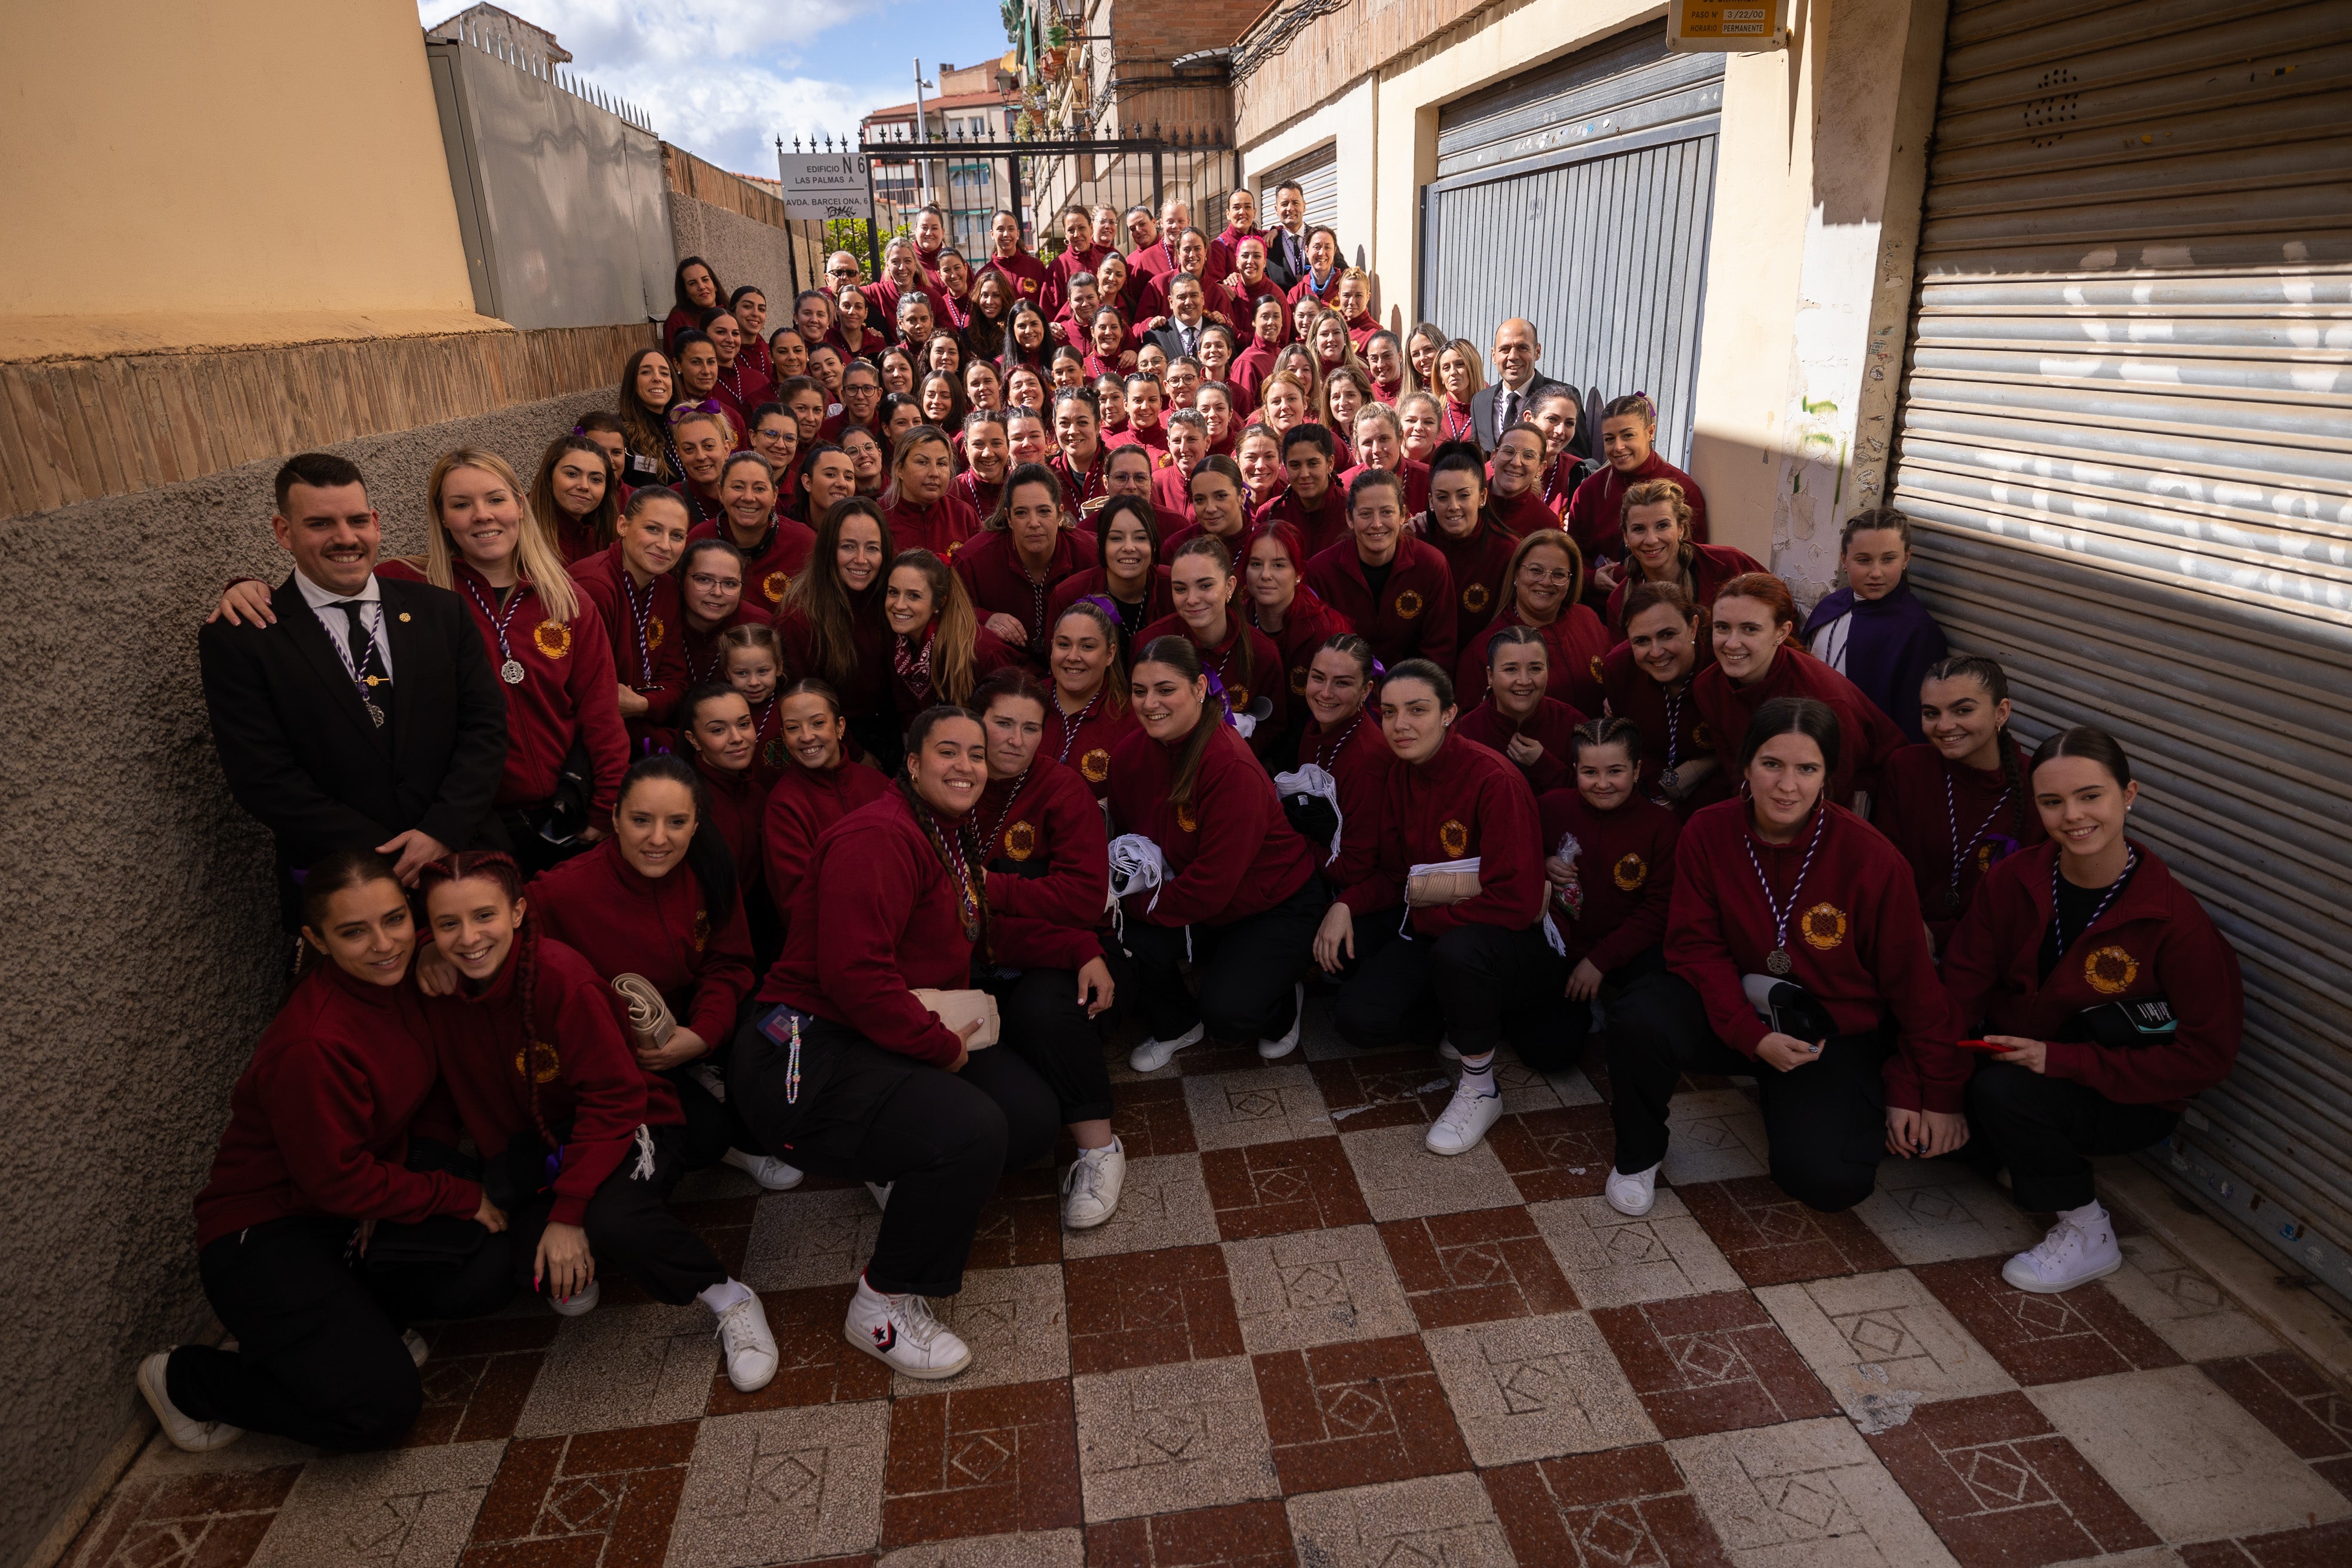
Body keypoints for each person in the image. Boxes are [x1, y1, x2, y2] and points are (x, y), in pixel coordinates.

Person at [731, 707, 1068, 1379]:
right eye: (948, 751)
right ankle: (881, 1305)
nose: (966, 766)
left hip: (877, 1028)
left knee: (1029, 1126)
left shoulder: (941, 829)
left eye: (976, 754)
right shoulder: (879, 836)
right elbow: (854, 976)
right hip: (802, 1052)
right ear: (911, 764)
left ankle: (895, 1160)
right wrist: (939, 1048)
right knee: (972, 1131)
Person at [136, 849, 510, 1453]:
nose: (384, 944)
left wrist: (427, 1165)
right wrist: (452, 1193)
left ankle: (344, 1328)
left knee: (487, 1269)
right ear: (316, 939)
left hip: (348, 1207)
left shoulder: (409, 971)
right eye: (354, 932)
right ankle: (186, 1379)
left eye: (393, 920)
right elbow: (332, 1183)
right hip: (265, 1237)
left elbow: (432, 1095)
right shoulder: (314, 1042)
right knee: (380, 1411)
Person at [413, 851, 779, 1387]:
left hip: (633, 1118)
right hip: (539, 1146)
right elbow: (437, 1097)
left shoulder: (563, 979)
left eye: (484, 916)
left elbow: (613, 1099)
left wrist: (569, 1212)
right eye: (448, 924)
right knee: (518, 1264)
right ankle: (580, 1237)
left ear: (517, 913)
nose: (469, 938)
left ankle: (729, 1297)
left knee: (614, 1219)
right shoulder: (438, 993)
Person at [1609, 697, 1950, 1218]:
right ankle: (1637, 1156)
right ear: (1746, 766)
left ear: (1827, 776)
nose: (1787, 785)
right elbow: (1695, 946)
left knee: (1830, 1183)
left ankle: (1802, 1102)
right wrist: (1753, 1037)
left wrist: (1931, 1089)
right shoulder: (1707, 830)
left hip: (1826, 1032)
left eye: (1807, 768)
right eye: (1772, 764)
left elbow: (1913, 985)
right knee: (1641, 1015)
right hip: (1737, 1010)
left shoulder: (1873, 857)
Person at [1928, 727, 2242, 1293]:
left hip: (2122, 1095)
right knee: (1917, 1122)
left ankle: (2088, 1230)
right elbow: (1958, 990)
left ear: (2129, 794)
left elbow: (2206, 1059)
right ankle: (2006, 1149)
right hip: (2016, 1057)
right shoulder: (2014, 879)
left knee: (2003, 1095)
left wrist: (2064, 1062)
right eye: (2052, 801)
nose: (2072, 815)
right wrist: (1929, 1094)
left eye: (2090, 795)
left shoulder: (2174, 920)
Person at [200, 454, 509, 927]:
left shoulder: (442, 612)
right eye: (320, 523)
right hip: (345, 887)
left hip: (460, 862)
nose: (345, 538)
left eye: (357, 520)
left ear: (376, 523)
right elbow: (263, 778)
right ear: (284, 532)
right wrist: (387, 854)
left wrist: (439, 830)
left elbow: (485, 728)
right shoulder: (244, 638)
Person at [1315, 660, 1555, 1156]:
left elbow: (1518, 901)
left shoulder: (1494, 781)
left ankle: (1480, 1086)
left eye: (1418, 710)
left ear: (1450, 713)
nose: (1401, 725)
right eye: (1389, 712)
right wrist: (1345, 903)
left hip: (1503, 941)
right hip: (1435, 930)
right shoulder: (1401, 775)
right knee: (1357, 1018)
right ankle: (1470, 1018)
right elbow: (1393, 875)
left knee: (1458, 953)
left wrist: (1429, 920)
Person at [514, 755, 783, 1187]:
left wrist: (702, 1035)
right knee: (705, 1139)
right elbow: (487, 922)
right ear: (616, 819)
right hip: (627, 1052)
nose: (658, 838)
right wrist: (433, 951)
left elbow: (728, 961)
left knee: (771, 1024)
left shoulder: (710, 866)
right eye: (641, 820)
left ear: (696, 825)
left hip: (692, 1022)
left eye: (677, 822)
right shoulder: (564, 889)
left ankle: (719, 1087)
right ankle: (708, 1101)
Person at [1108, 637, 1324, 1069]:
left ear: (1200, 688)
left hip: (1273, 905)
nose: (1150, 703)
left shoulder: (1230, 765)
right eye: (1139, 689)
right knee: (1118, 935)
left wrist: (1130, 905)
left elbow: (1211, 885)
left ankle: (1283, 999)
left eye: (1166, 689)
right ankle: (1177, 1023)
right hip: (1202, 898)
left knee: (1231, 1015)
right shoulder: (1130, 753)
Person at [965, 671, 1131, 1226]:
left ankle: (1098, 1151)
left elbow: (1083, 898)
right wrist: (1069, 938)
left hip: (1050, 955)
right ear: (975, 723)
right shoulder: (954, 782)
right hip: (977, 952)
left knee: (1045, 1010)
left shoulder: (1061, 788)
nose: (1016, 739)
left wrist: (994, 888)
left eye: (1031, 727)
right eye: (1003, 723)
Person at [1536, 718, 1682, 1074]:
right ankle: (1583, 1005)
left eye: (1616, 771)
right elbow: (1511, 860)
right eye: (1589, 772)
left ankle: (1622, 1009)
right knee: (1551, 1055)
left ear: (1637, 771)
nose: (1603, 784)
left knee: (1661, 988)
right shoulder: (1549, 808)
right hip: (1562, 949)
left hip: (1627, 950)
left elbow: (1660, 908)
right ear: (1574, 770)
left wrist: (1601, 961)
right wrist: (1543, 863)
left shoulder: (1661, 826)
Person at [1873, 656, 2044, 948]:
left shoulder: (2040, 786)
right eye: (1931, 713)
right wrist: (1910, 928)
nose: (1944, 725)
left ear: (2001, 712)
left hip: (1990, 954)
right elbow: (1884, 866)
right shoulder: (1906, 767)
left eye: (1963, 710)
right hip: (1906, 938)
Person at [1694, 573, 1906, 809]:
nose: (1732, 643)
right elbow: (1736, 772)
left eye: (1750, 629)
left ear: (1782, 633)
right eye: (1722, 627)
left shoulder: (1822, 700)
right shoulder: (1709, 686)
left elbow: (1833, 790)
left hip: (1863, 792)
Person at [1802, 507, 1950, 743]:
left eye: (1888, 559)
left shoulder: (1917, 632)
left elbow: (1912, 723)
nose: (1876, 572)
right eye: (1864, 560)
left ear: (1906, 558)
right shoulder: (1829, 607)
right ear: (1844, 560)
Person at [761, 677, 891, 936]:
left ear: (840, 726)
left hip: (897, 929)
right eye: (793, 728)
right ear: (784, 738)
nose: (807, 737)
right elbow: (797, 903)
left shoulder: (881, 786)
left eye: (818, 723)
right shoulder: (783, 805)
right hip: (834, 939)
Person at [1140, 536, 1288, 760]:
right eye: (1180, 589)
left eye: (1205, 586)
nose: (1192, 599)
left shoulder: (1262, 651)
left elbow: (1274, 727)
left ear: (1229, 587)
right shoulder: (1150, 642)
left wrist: (1229, 749)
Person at [569, 485, 691, 748]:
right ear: (623, 525)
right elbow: (590, 695)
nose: (664, 545)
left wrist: (642, 704)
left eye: (677, 535)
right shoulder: (594, 586)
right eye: (653, 529)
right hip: (590, 740)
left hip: (640, 728)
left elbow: (677, 683)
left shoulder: (668, 587)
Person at [1307, 468, 1461, 672]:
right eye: (1365, 514)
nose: (1377, 524)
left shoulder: (1431, 565)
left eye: (1387, 512)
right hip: (1343, 688)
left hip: (1412, 689)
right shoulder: (1321, 571)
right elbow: (1317, 652)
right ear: (1349, 518)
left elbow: (1440, 652)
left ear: (1403, 515)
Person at [1601, 582, 1727, 817]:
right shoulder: (1619, 669)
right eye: (1641, 641)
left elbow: (1738, 761)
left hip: (1717, 800)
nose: (1657, 652)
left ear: (1692, 627)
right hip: (1650, 798)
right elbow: (1629, 745)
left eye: (1667, 635)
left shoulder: (1722, 667)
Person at [1456, 529, 1612, 716]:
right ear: (1515, 575)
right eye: (1536, 571)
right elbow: (1471, 727)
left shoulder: (1588, 620)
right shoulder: (1483, 650)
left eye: (1559, 574)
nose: (1546, 582)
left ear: (1571, 580)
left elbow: (1618, 674)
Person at [1276, 633, 1391, 882]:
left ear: (1366, 691)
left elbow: (1353, 867)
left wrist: (1287, 837)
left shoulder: (1368, 761)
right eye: (1318, 678)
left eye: (1342, 683)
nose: (1325, 694)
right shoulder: (1313, 730)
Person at [1570, 394, 1709, 593]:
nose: (1618, 447)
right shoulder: (1589, 491)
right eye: (1610, 439)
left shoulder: (1684, 489)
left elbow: (1695, 559)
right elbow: (1574, 555)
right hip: (1599, 605)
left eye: (1628, 436)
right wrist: (1592, 578)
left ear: (1650, 432)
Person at [956, 462, 1091, 661]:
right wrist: (984, 618)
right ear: (1008, 518)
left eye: (1044, 511)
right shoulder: (972, 560)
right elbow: (949, 615)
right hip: (1004, 675)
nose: (1034, 523)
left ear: (1060, 514)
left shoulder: (1090, 554)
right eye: (1021, 513)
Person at [1602, 479, 1762, 634]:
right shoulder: (1618, 603)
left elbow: (1779, 616)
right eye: (1639, 529)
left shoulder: (1728, 565)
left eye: (1662, 526)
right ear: (1626, 537)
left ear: (1681, 529)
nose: (1651, 540)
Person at [884, 547, 1014, 722]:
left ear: (939, 602)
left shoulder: (980, 650)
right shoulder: (897, 641)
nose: (899, 605)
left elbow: (1007, 717)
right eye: (893, 592)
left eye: (914, 596)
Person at [1456, 625, 1587, 794]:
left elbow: (1594, 797)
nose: (1524, 681)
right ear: (1490, 676)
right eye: (1511, 669)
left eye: (1535, 669)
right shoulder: (1464, 734)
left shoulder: (1574, 725)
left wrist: (1543, 764)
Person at [1244, 520, 1352, 720]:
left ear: (1299, 574)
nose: (1265, 575)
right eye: (1256, 564)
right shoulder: (1235, 622)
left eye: (1278, 565)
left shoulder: (1325, 631)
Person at [693, 452, 817, 619]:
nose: (749, 498)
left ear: (774, 496)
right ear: (721, 492)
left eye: (759, 489)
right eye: (738, 487)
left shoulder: (804, 543)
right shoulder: (699, 540)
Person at [1048, 493, 1171, 661]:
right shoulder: (1069, 595)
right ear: (1100, 545)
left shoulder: (1174, 587)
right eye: (1116, 538)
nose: (1129, 547)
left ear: (1154, 546)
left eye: (1140, 538)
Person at [1419, 441, 1514, 644]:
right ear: (1431, 502)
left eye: (1463, 496)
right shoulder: (1416, 543)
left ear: (1482, 497)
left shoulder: (1507, 552)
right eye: (1442, 497)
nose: (1453, 506)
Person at [1253, 422, 1350, 559]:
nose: (1304, 474)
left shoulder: (1351, 511)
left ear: (1330, 464)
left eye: (1313, 464)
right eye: (1295, 465)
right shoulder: (1271, 513)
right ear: (1285, 467)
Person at [880, 424, 977, 560]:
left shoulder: (963, 515)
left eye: (942, 464)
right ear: (899, 469)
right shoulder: (879, 517)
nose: (934, 473)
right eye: (922, 462)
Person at [1468, 319, 1567, 450]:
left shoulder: (1562, 398)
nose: (1513, 356)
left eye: (1522, 348)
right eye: (1505, 349)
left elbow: (1576, 460)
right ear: (1494, 356)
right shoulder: (1480, 401)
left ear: (1537, 351)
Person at [533, 434, 620, 564]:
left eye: (596, 479)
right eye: (572, 474)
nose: (584, 486)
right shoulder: (521, 531)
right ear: (549, 476)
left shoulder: (607, 539)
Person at [1484, 421, 1558, 540]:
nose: (1516, 463)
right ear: (1493, 458)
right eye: (1508, 451)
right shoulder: (1469, 504)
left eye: (1528, 456)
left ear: (1541, 469)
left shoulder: (1546, 523)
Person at [664, 256, 724, 352]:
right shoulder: (677, 321)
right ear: (686, 292)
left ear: (715, 285)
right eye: (692, 283)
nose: (701, 287)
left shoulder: (731, 313)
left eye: (705, 280)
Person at [1262, 180, 1312, 289]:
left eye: (1295, 203)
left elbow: (1341, 270)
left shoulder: (1320, 237)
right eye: (1285, 204)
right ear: (1277, 210)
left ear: (1304, 206)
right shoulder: (1268, 246)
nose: (1290, 208)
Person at [1434, 340, 1484, 445]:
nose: (1453, 372)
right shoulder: (1433, 413)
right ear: (1441, 377)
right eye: (1446, 368)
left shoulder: (1489, 411)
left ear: (1473, 368)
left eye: (1460, 364)